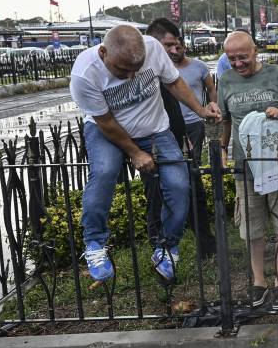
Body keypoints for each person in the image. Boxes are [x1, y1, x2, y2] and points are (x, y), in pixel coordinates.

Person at [70, 24, 221, 282]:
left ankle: (167, 248)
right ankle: (95, 244)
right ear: (104, 52)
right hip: (107, 130)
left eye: (136, 69)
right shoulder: (85, 74)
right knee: (104, 171)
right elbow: (105, 121)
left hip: (155, 129)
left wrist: (200, 109)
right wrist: (135, 153)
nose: (130, 76)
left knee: (179, 184)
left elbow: (173, 82)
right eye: (122, 69)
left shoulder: (152, 47)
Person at [218, 31, 278, 311]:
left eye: (243, 57)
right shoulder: (226, 80)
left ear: (255, 51)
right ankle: (259, 282)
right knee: (251, 229)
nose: (238, 63)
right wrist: (221, 149)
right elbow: (225, 120)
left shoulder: (276, 74)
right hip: (246, 167)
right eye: (232, 59)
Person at [148, 19, 217, 258]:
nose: (173, 51)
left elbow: (183, 102)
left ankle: (207, 245)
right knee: (157, 195)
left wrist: (200, 112)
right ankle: (161, 251)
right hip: (153, 144)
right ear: (152, 42)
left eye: (176, 45)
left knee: (193, 187)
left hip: (180, 136)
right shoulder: (140, 68)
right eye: (167, 45)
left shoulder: (175, 70)